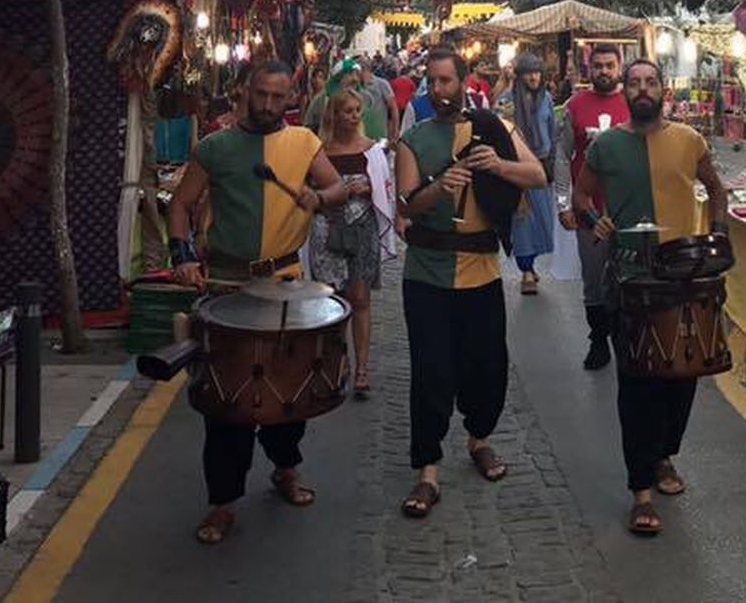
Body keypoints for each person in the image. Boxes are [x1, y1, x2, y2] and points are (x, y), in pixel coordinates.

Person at [167, 60, 349, 546]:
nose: (270, 105)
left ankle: (285, 468)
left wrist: (320, 197)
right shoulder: (215, 147)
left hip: (286, 285)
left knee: (288, 391)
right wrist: (182, 255)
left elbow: (337, 187)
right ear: (245, 91)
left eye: (279, 96)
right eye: (262, 94)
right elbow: (181, 204)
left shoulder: (303, 142)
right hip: (226, 287)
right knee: (225, 404)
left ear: (291, 96)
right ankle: (223, 502)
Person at [571, 58, 730, 538]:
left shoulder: (689, 140)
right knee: (638, 384)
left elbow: (717, 191)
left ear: (663, 90)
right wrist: (590, 219)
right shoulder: (607, 146)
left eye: (650, 82)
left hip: (683, 278)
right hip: (632, 281)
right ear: (625, 90)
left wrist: (719, 234)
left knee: (681, 378)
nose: (642, 89)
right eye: (634, 83)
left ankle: (662, 455)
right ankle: (641, 489)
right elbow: (580, 198)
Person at [394, 46, 547, 518]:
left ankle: (479, 438)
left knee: (485, 365)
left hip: (480, 271)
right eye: (432, 82)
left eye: (446, 81)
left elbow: (537, 175)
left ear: (463, 81)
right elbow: (406, 205)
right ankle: (428, 469)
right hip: (428, 274)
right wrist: (440, 187)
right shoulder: (414, 139)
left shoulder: (492, 127)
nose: (439, 91)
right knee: (432, 369)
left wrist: (496, 165)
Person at [310, 85, 395, 398]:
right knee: (332, 299)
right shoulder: (318, 150)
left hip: (362, 228)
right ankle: (340, 360)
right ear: (334, 114)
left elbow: (386, 189)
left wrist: (368, 189)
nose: (354, 116)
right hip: (327, 228)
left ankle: (361, 367)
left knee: (360, 297)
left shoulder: (371, 150)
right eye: (348, 111)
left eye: (357, 111)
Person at [557, 43, 631, 369]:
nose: (603, 70)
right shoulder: (574, 105)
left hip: (630, 211)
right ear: (590, 68)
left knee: (633, 276)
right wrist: (563, 202)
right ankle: (598, 340)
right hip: (589, 209)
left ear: (620, 66)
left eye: (609, 65)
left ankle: (629, 342)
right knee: (595, 280)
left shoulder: (635, 103)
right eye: (598, 65)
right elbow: (561, 156)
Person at [501, 52, 557, 295]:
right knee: (522, 221)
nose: (534, 77)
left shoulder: (546, 100)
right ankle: (526, 271)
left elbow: (552, 132)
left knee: (542, 220)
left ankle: (531, 263)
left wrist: (553, 164)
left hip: (542, 166)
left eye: (537, 72)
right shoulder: (506, 101)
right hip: (517, 166)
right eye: (529, 72)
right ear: (521, 75)